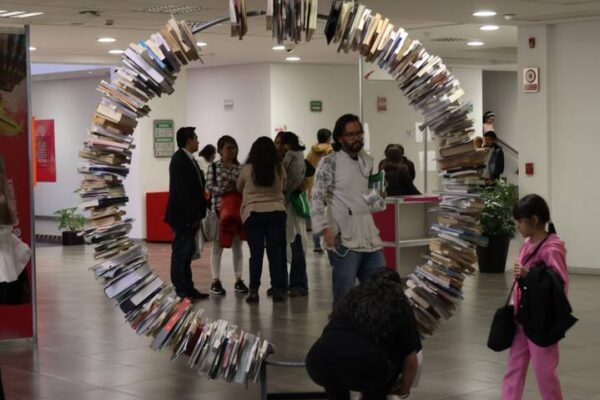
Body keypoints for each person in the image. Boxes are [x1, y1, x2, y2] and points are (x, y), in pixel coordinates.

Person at [306, 269, 421, 400]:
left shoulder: (351, 296)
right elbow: (411, 360)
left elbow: (332, 332)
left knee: (336, 379)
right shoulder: (399, 304)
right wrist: (404, 389)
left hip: (320, 362)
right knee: (394, 354)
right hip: (366, 368)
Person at [311, 113, 385, 305]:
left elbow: (365, 193)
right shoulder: (329, 162)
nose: (357, 138)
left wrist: (378, 200)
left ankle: (373, 332)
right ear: (339, 138)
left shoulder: (367, 161)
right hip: (343, 238)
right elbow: (317, 198)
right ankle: (340, 332)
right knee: (344, 295)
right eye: (351, 134)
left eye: (359, 133)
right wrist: (325, 230)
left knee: (380, 290)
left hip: (369, 237)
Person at [503, 194, 569, 400]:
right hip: (522, 315)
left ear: (534, 220)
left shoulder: (551, 249)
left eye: (520, 221)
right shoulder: (527, 244)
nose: (518, 227)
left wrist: (528, 274)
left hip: (542, 319)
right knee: (514, 366)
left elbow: (559, 284)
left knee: (544, 372)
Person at [237, 137, 288, 303]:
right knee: (275, 254)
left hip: (253, 214)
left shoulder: (246, 169)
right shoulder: (279, 168)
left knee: (256, 254)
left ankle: (253, 291)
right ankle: (278, 290)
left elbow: (239, 187)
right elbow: (284, 187)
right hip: (276, 212)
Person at [164, 127, 209, 300]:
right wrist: (192, 216)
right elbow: (182, 192)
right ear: (188, 141)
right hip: (182, 217)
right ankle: (180, 289)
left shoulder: (189, 159)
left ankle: (188, 288)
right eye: (196, 138)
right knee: (180, 253)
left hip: (189, 215)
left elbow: (197, 187)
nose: (198, 141)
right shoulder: (179, 160)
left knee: (187, 253)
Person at [205, 135, 249, 296]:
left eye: (234, 147)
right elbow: (209, 186)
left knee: (238, 247)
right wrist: (225, 190)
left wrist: (237, 189)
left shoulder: (241, 167)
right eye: (228, 148)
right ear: (220, 150)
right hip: (219, 211)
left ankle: (239, 279)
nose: (232, 151)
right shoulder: (214, 167)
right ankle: (215, 281)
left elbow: (246, 187)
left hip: (238, 211)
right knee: (218, 247)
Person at [275, 131, 309, 297]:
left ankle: (297, 284)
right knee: (289, 244)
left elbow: (285, 182)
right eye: (277, 143)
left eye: (282, 143)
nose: (279, 147)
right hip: (288, 206)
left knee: (294, 244)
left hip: (289, 207)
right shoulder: (301, 156)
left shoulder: (290, 157)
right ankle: (288, 284)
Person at [306, 128, 333, 254]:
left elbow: (305, 170)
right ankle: (329, 241)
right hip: (327, 188)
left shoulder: (311, 153)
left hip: (312, 187)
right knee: (329, 215)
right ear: (328, 138)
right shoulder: (330, 151)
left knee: (316, 214)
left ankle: (316, 244)